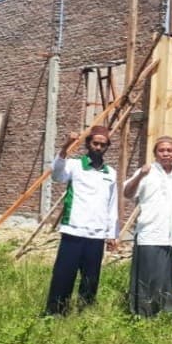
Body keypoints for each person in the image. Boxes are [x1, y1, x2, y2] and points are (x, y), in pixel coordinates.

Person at [44, 126, 118, 316]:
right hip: (73, 231)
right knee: (63, 275)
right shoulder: (74, 165)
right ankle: (56, 313)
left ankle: (85, 313)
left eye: (103, 144)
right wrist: (66, 146)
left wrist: (111, 234)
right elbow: (56, 175)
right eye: (95, 143)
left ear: (107, 147)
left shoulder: (110, 173)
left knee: (91, 278)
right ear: (88, 144)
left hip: (97, 234)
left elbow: (112, 204)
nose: (99, 147)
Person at [123, 135, 172, 317]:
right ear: (155, 153)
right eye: (162, 150)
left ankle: (167, 313)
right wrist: (140, 177)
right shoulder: (146, 172)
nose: (166, 154)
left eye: (170, 150)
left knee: (169, 279)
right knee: (148, 278)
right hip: (150, 234)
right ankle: (144, 315)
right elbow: (127, 193)